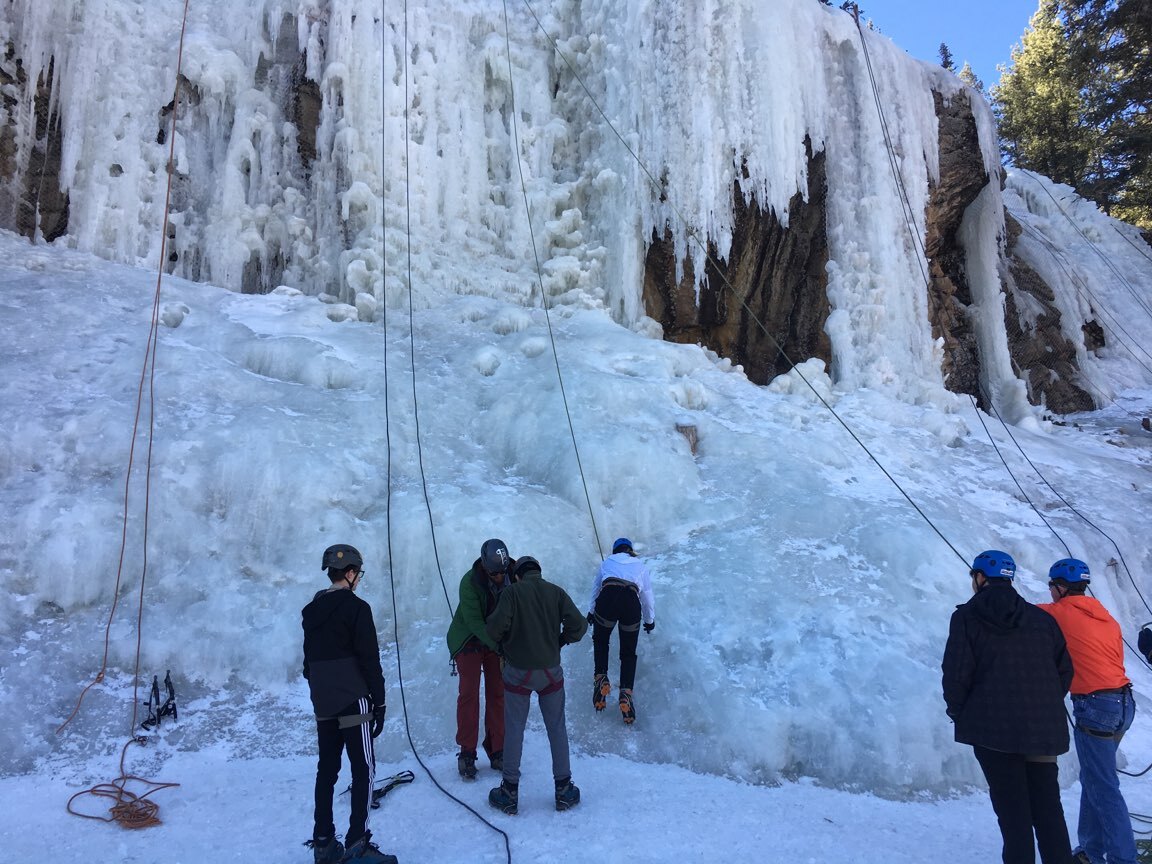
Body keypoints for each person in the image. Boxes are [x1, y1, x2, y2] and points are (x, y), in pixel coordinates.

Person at [942, 549, 1074, 864]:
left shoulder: (967, 617)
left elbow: (957, 672)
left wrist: (960, 711)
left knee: (1013, 813)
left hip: (994, 731)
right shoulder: (1042, 619)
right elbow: (1065, 669)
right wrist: (1043, 704)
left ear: (980, 577)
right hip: (1043, 729)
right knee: (1048, 809)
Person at [302, 544, 397, 864]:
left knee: (326, 770)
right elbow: (370, 660)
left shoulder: (312, 610)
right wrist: (379, 703)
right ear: (351, 573)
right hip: (352, 700)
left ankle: (324, 843)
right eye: (359, 573)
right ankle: (357, 843)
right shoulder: (358, 608)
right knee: (364, 768)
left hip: (323, 702)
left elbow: (307, 664)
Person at [1038, 558, 1137, 864]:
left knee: (1103, 786)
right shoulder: (1104, 615)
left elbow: (1020, 615)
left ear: (1060, 587)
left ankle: (1122, 859)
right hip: (1124, 705)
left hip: (1095, 706)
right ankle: (1090, 851)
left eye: (1052, 587)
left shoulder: (1057, 613)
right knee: (1095, 778)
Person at [485, 555, 588, 815]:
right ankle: (564, 788)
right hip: (550, 673)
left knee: (515, 729)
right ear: (538, 573)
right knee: (556, 728)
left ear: (518, 575)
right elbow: (579, 625)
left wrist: (503, 644)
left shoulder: (512, 594)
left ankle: (509, 791)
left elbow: (494, 629)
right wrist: (562, 640)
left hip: (518, 672)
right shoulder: (556, 592)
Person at [445, 538, 510, 779]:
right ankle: (467, 752)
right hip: (469, 639)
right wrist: (499, 646)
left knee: (498, 692)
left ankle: (497, 748)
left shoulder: (510, 575)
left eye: (502, 572)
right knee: (469, 694)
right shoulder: (469, 582)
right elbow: (474, 622)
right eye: (494, 573)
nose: (499, 578)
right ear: (484, 566)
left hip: (494, 640)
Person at [586, 537, 655, 724]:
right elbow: (647, 595)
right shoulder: (640, 565)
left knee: (601, 640)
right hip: (631, 603)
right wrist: (649, 620)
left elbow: (596, 589)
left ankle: (601, 677)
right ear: (630, 550)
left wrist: (592, 611)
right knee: (628, 653)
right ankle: (626, 693)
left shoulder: (607, 562)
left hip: (608, 599)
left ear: (615, 550)